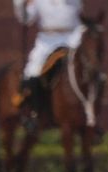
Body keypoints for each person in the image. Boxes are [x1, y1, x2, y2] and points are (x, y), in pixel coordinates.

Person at [13, 0, 84, 131]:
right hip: (47, 41)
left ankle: (90, 117)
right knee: (32, 71)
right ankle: (34, 113)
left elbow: (80, 18)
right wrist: (20, 4)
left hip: (72, 40)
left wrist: (80, 37)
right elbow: (26, 19)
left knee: (87, 71)